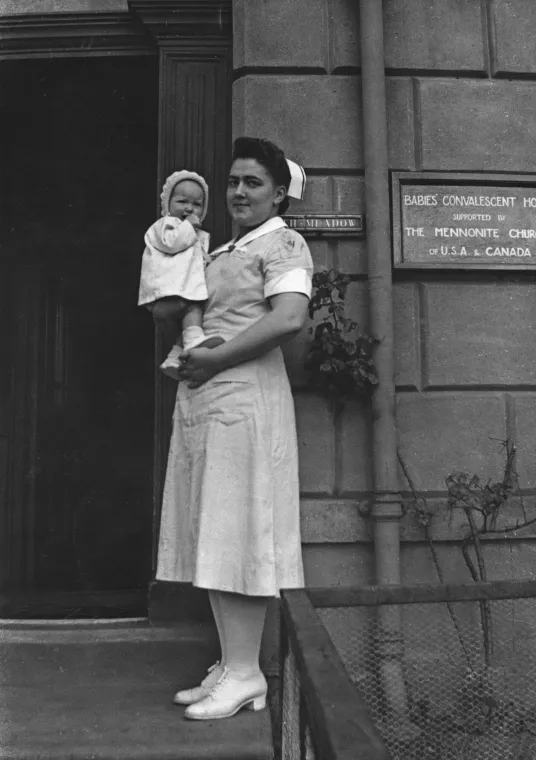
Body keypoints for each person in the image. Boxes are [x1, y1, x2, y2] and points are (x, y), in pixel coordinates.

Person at [156, 137, 313, 721]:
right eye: (233, 182)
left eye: (252, 182)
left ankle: (247, 673)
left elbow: (289, 317)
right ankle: (233, 665)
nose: (239, 192)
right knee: (215, 534)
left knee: (240, 530)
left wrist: (217, 359)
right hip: (208, 401)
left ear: (277, 192)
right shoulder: (223, 248)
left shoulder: (284, 242)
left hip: (245, 399)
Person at [138, 170, 222, 380]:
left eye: (197, 204)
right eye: (182, 201)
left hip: (183, 288)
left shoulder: (194, 233)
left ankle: (179, 353)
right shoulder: (165, 225)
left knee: (192, 311)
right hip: (167, 288)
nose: (189, 208)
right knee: (191, 308)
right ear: (168, 204)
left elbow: (198, 260)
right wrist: (188, 227)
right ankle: (190, 341)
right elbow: (172, 243)